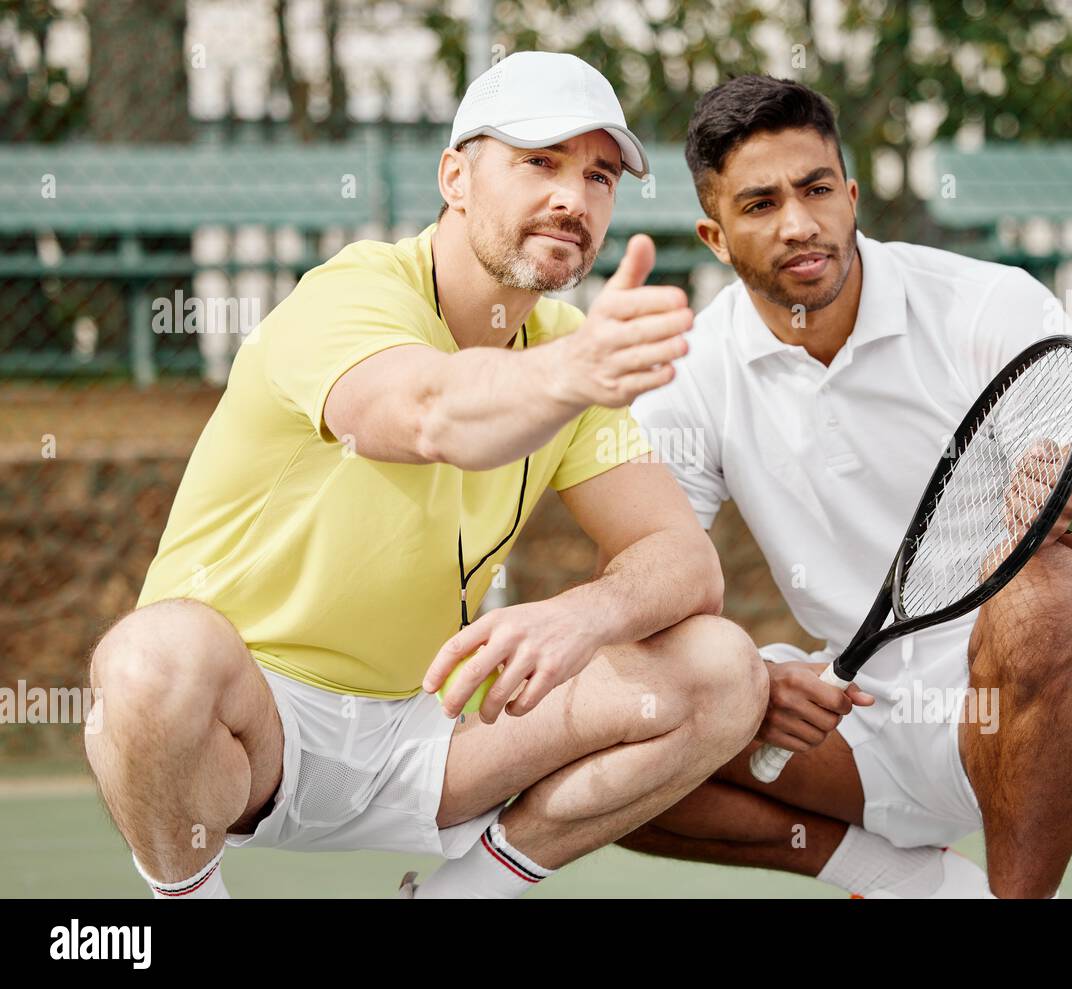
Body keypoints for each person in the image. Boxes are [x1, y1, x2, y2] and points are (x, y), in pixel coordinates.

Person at [84, 51, 767, 900]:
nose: (573, 198)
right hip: (251, 730)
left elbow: (683, 559)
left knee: (722, 668)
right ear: (455, 176)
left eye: (598, 176)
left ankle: (460, 893)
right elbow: (423, 415)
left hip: (431, 729)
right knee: (150, 659)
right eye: (539, 163)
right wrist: (573, 374)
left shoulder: (562, 344)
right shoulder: (349, 295)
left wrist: (586, 613)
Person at [624, 74, 1072, 898]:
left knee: (1050, 598)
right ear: (715, 235)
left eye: (816, 189)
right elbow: (646, 593)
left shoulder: (988, 305)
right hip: (868, 727)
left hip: (1059, 710)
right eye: (761, 205)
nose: (801, 223)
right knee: (602, 725)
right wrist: (750, 685)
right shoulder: (686, 375)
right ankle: (906, 882)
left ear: (852, 194)